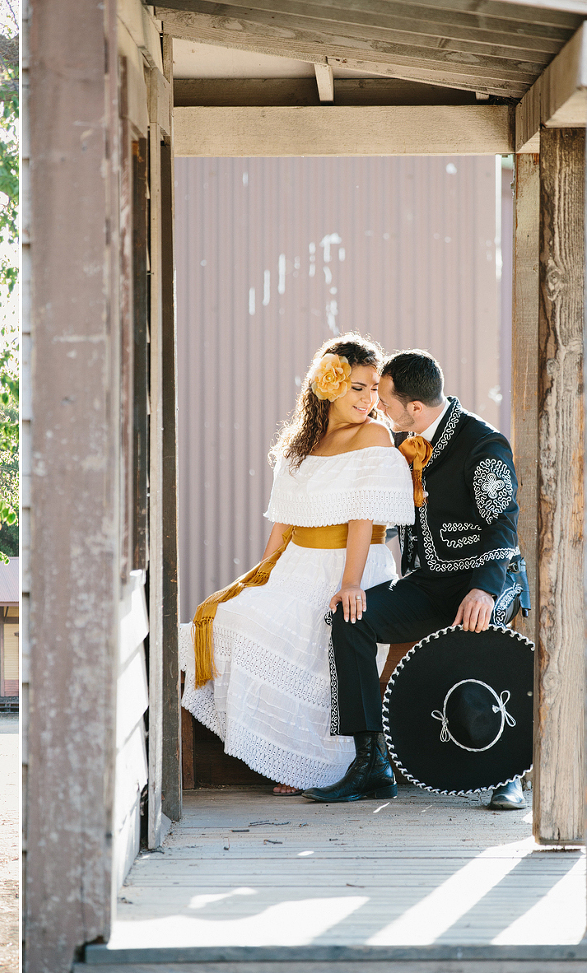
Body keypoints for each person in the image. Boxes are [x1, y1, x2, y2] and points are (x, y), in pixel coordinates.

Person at [181, 334, 415, 795]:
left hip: (353, 564)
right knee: (236, 618)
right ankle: (287, 756)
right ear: (328, 386)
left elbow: (362, 517)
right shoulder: (301, 444)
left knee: (315, 632)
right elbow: (283, 527)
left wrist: (351, 584)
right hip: (298, 564)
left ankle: (320, 766)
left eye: (373, 389)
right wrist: (260, 579)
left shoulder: (374, 435)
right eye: (358, 388)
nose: (369, 400)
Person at [304, 350, 527, 808]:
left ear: (416, 408)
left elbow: (502, 525)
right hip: (426, 585)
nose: (377, 407)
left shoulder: (484, 444)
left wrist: (484, 589)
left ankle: (509, 773)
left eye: (384, 400)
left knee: (488, 635)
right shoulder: (400, 442)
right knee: (350, 619)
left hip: (485, 580)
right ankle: (371, 763)